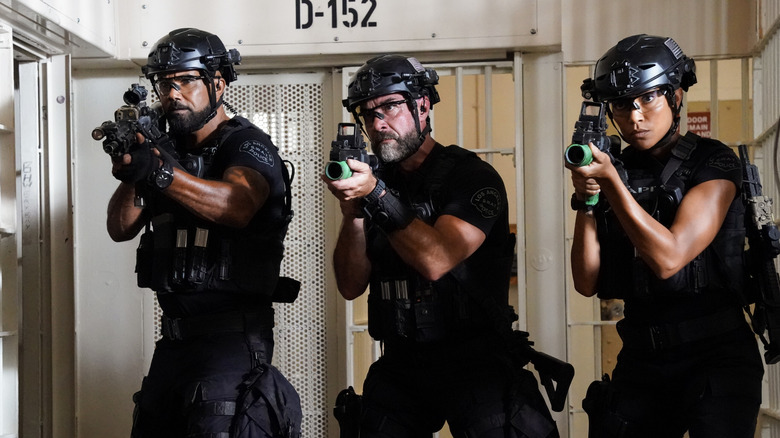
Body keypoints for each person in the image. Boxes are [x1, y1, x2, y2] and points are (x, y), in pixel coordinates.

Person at [323, 54, 558, 438]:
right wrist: (353, 215)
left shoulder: (471, 176)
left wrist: (375, 194)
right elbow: (350, 286)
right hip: (402, 361)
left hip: (475, 360)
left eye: (390, 106)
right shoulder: (375, 182)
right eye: (368, 114)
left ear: (423, 105)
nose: (379, 123)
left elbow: (437, 260)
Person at [105, 28, 301, 438]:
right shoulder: (166, 146)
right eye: (163, 82)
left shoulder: (247, 144)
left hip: (231, 345)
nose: (172, 93)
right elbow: (120, 227)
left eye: (186, 80)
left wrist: (159, 172)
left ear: (218, 82)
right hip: (173, 343)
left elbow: (238, 206)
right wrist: (135, 171)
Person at [567, 34, 764, 437]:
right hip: (643, 355)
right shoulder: (616, 168)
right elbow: (586, 283)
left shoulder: (715, 162)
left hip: (716, 356)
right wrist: (586, 201)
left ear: (675, 97)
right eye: (622, 104)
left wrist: (609, 184)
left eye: (648, 98)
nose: (635, 116)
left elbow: (669, 258)